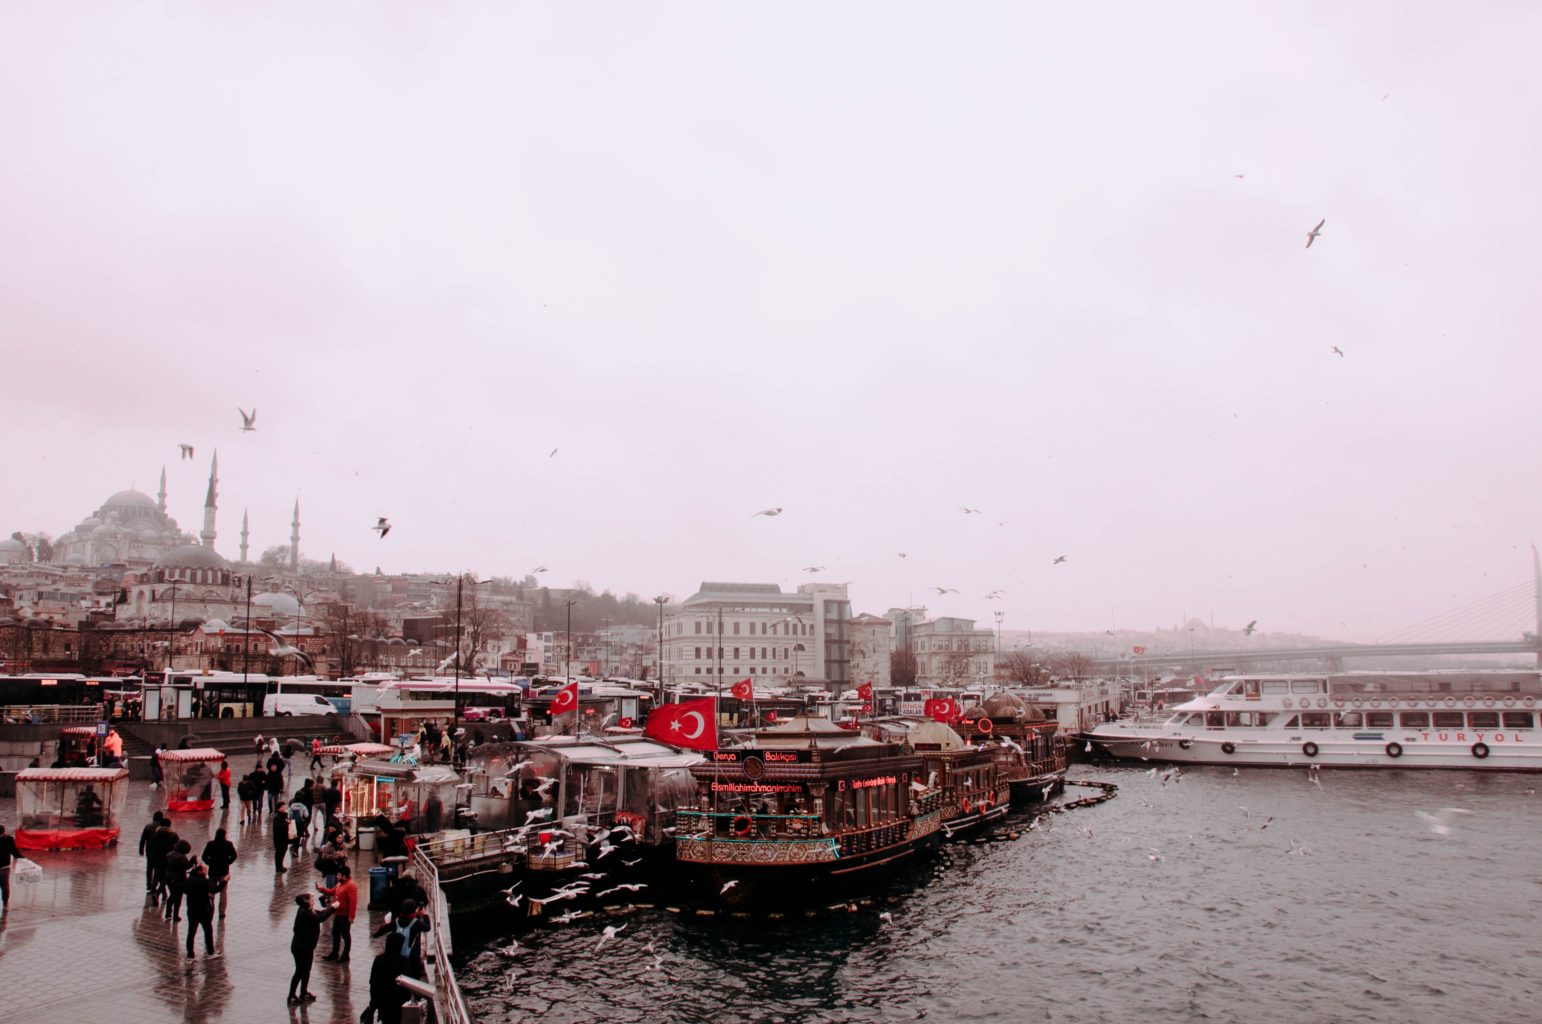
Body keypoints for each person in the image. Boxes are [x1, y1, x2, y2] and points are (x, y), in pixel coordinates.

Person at [288, 894, 334, 1004]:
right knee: (300, 971)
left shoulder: (309, 910)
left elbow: (321, 913)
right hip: (300, 947)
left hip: (307, 947)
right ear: (305, 902)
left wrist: (330, 908)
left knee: (306, 970)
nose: (313, 902)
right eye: (311, 900)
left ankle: (303, 993)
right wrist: (332, 908)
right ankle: (291, 995)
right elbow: (320, 918)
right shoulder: (305, 913)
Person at [372, 899, 429, 978]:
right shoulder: (416, 923)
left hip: (397, 955)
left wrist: (375, 934)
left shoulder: (396, 921)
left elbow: (383, 929)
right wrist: (425, 915)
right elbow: (427, 927)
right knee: (413, 977)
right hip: (412, 957)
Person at [182, 861, 223, 960]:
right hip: (203, 910)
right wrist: (225, 881)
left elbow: (185, 890)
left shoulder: (189, 880)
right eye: (205, 870)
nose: (206, 872)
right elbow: (215, 890)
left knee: (191, 932)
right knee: (208, 931)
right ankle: (210, 952)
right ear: (200, 871)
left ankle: (190, 954)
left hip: (191, 909)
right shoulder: (205, 882)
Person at [317, 864, 358, 962]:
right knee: (335, 934)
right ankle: (334, 953)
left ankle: (345, 955)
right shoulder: (340, 884)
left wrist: (351, 917)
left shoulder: (351, 885)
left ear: (344, 875)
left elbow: (353, 902)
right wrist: (322, 889)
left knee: (345, 935)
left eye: (339, 875)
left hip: (345, 915)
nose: (337, 877)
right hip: (338, 914)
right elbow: (332, 891)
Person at [366, 935, 410, 1024]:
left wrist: (373, 1003)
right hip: (398, 1002)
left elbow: (373, 982)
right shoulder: (403, 961)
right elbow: (407, 983)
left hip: (383, 1002)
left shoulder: (379, 960)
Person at [201, 828, 237, 918]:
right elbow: (234, 855)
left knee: (211, 890)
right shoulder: (228, 844)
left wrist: (209, 863)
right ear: (224, 835)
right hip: (224, 871)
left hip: (213, 871)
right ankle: (222, 912)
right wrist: (228, 862)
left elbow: (204, 856)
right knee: (223, 892)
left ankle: (210, 906)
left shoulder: (211, 844)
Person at [147, 819, 179, 904]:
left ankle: (163, 894)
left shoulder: (156, 835)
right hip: (169, 860)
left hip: (157, 859)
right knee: (166, 878)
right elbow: (178, 848)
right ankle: (158, 894)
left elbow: (150, 846)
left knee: (161, 877)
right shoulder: (174, 835)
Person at [163, 839, 192, 921]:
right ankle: (175, 915)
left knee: (172, 895)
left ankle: (168, 912)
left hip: (169, 878)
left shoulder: (170, 854)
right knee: (178, 898)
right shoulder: (182, 857)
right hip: (179, 879)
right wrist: (193, 860)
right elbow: (187, 866)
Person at [138, 812, 167, 893]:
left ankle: (149, 885)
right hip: (160, 852)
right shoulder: (163, 828)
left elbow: (143, 840)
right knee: (157, 869)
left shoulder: (148, 827)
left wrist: (141, 850)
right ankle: (154, 885)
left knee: (149, 868)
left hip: (149, 851)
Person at [0, 824, 18, 910]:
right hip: (5, 867)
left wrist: (18, 859)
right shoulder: (9, 839)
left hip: (4, 867)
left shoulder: (9, 839)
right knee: (5, 887)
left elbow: (14, 851)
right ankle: (5, 904)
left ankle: (5, 903)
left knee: (5, 887)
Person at [272, 800, 291, 873]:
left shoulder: (284, 816)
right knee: (279, 852)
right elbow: (278, 825)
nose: (284, 808)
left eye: (284, 807)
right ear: (278, 808)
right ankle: (278, 867)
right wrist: (287, 824)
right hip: (279, 838)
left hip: (284, 837)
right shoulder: (277, 817)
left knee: (284, 850)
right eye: (282, 807)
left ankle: (281, 865)